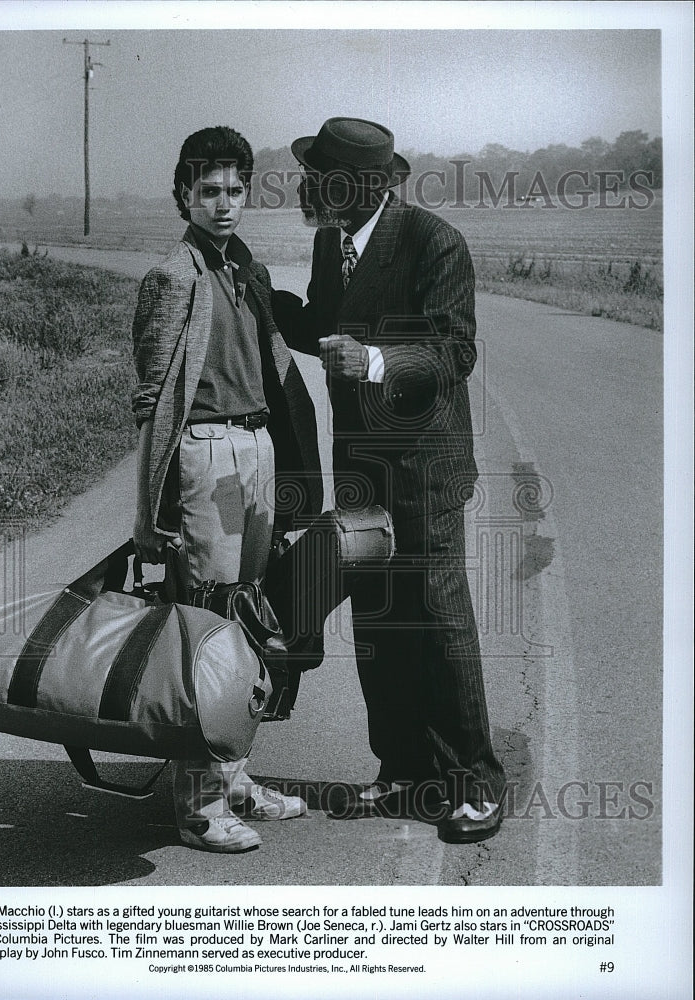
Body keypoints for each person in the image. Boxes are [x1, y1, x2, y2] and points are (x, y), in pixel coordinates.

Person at [272, 117, 506, 843]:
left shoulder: (432, 241)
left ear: (366, 183)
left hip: (425, 466)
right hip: (362, 465)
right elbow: (321, 321)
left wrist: (372, 361)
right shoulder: (329, 239)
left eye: (323, 178)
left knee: (435, 614)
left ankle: (474, 782)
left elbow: (452, 351)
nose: (310, 188)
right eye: (313, 175)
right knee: (377, 617)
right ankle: (404, 772)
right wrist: (256, 294)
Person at [131, 126, 322, 853]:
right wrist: (150, 512)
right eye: (207, 191)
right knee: (202, 628)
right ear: (183, 194)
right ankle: (197, 803)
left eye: (234, 190)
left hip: (256, 449)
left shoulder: (246, 270)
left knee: (248, 621)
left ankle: (235, 777)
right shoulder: (173, 275)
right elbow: (150, 399)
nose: (222, 203)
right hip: (204, 453)